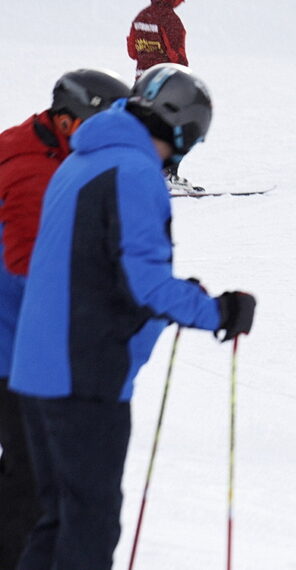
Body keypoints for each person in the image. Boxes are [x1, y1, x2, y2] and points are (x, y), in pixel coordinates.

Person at [8, 63, 256, 570]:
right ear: (179, 128)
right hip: (81, 376)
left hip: (38, 370)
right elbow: (143, 285)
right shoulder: (133, 170)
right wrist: (218, 311)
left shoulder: (82, 160)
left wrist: (175, 295)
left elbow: (101, 268)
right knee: (88, 526)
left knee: (56, 518)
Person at [0, 68, 130, 570]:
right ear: (71, 123)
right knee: (34, 475)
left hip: (23, 340)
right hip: (12, 346)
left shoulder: (58, 153)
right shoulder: (33, 167)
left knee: (34, 472)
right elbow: (30, 267)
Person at [126, 0, 199, 194]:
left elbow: (132, 51)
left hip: (141, 84)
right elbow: (178, 57)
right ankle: (167, 175)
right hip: (165, 85)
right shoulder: (170, 20)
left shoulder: (142, 16)